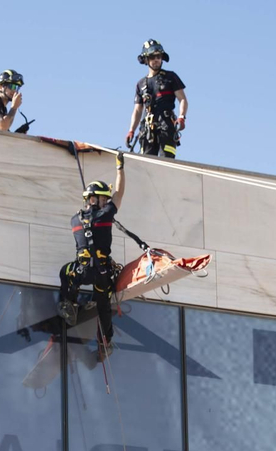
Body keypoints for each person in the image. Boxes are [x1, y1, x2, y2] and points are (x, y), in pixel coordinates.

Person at [57, 152, 126, 346]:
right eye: (104, 198)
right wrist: (120, 168)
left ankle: (69, 302)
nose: (107, 201)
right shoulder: (105, 215)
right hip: (101, 273)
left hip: (81, 271)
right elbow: (119, 193)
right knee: (104, 305)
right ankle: (106, 339)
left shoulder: (74, 219)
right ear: (95, 199)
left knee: (65, 272)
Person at [126, 39, 187, 158]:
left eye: (159, 57)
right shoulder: (141, 84)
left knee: (167, 162)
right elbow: (138, 110)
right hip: (147, 130)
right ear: (146, 59)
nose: (156, 60)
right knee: (148, 164)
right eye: (153, 57)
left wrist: (181, 117)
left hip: (166, 126)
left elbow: (183, 99)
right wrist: (131, 130)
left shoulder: (170, 77)